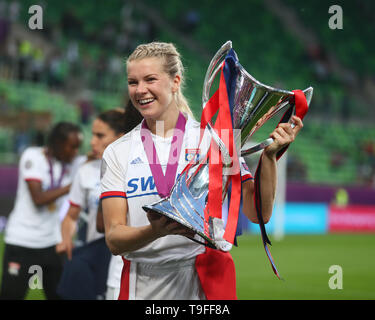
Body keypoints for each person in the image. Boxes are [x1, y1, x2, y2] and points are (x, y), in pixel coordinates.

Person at [100, 42, 304, 300]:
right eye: (133, 82)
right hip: (142, 283)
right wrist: (157, 230)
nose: (140, 90)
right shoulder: (118, 152)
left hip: (204, 280)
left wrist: (270, 157)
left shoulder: (215, 140)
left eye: (150, 79)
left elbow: (258, 213)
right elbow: (114, 238)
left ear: (175, 82)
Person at [56, 109, 141, 300]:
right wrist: (66, 238)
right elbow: (71, 216)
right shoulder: (85, 171)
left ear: (121, 137)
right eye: (93, 135)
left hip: (127, 255)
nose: (92, 141)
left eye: (100, 135)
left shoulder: (139, 168)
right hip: (95, 254)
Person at [0, 122, 84, 300]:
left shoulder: (72, 162)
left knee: (60, 295)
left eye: (78, 147)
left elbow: (97, 156)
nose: (76, 152)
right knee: (11, 296)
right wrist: (71, 186)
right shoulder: (33, 156)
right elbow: (38, 199)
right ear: (58, 143)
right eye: (72, 147)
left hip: (52, 243)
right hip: (22, 242)